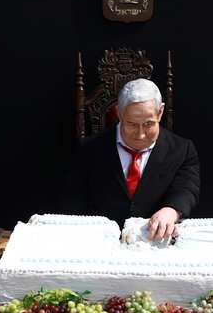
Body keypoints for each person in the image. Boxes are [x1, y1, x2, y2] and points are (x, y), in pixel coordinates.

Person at [63, 78, 200, 239]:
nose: (141, 135)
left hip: (154, 240)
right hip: (100, 242)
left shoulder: (182, 150)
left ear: (160, 112)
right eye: (132, 125)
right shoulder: (89, 150)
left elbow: (186, 189)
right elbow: (73, 200)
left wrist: (171, 211)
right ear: (119, 113)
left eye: (149, 124)